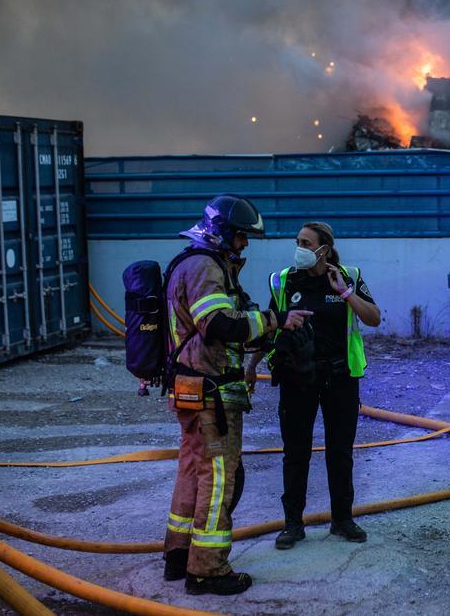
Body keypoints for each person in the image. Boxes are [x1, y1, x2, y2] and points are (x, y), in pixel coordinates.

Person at [163, 195, 310, 596]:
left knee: (193, 471)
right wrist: (274, 320)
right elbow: (218, 324)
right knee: (219, 480)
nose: (245, 245)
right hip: (210, 391)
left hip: (194, 387)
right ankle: (207, 570)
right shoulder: (205, 267)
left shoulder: (197, 263)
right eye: (242, 237)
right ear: (222, 232)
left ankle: (179, 556)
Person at [249, 222, 381, 549]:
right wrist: (252, 365)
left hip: (340, 378)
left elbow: (374, 318)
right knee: (296, 453)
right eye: (297, 242)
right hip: (297, 377)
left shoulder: (347, 275)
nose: (299, 248)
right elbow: (271, 327)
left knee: (340, 452)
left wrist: (345, 293)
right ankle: (293, 524)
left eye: (306, 243)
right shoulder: (283, 280)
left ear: (324, 248)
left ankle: (342, 520)